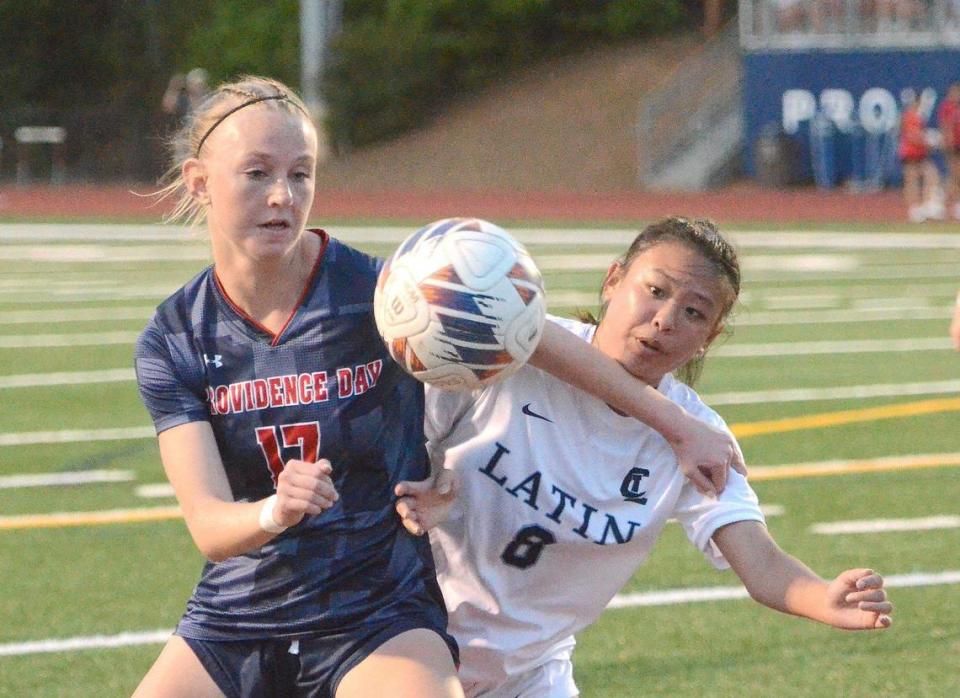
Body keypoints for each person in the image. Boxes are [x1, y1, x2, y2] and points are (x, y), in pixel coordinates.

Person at [132, 76, 745, 698]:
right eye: (257, 173)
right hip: (239, 615)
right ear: (200, 182)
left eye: (302, 174)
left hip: (372, 613)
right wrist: (276, 509)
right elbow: (210, 527)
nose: (283, 197)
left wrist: (677, 423)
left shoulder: (375, 293)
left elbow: (528, 333)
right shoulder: (174, 337)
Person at [396, 217, 894, 698]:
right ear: (614, 279)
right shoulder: (515, 349)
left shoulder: (701, 439)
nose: (665, 320)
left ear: (710, 337)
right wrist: (416, 495)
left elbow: (760, 562)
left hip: (528, 672)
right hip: (404, 638)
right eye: (655, 290)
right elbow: (381, 456)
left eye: (694, 313)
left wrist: (822, 597)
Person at [898, 88, 943, 222]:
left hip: (920, 153)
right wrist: (929, 140)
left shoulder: (917, 116)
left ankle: (928, 205)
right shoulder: (910, 116)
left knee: (932, 175)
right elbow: (912, 136)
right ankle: (914, 209)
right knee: (912, 181)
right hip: (910, 153)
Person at [937, 83, 960, 220]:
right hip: (952, 146)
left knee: (955, 176)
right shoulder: (947, 107)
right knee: (955, 175)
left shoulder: (957, 107)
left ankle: (946, 202)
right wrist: (947, 143)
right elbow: (945, 126)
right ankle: (945, 203)